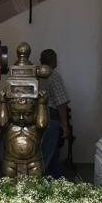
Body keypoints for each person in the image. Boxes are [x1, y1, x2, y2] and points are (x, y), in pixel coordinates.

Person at [39, 49, 70, 177]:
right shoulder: (53, 76)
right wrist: (65, 124)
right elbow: (61, 102)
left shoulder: (36, 75)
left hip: (36, 117)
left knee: (43, 150)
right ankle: (45, 179)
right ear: (53, 60)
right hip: (51, 117)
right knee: (49, 152)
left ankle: (50, 177)